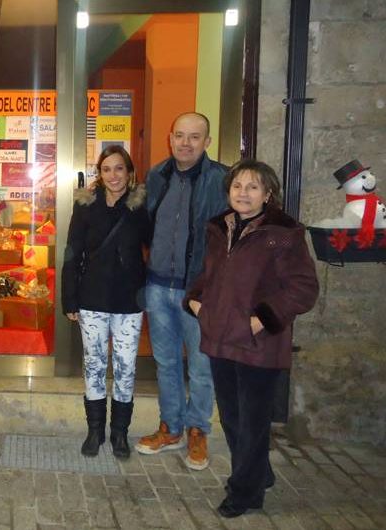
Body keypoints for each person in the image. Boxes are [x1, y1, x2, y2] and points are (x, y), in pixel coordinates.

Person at [184, 160, 318, 517]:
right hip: (220, 339)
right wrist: (196, 303)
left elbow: (303, 289)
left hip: (259, 345)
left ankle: (245, 493)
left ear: (268, 193)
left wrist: (261, 321)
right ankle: (260, 474)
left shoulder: (284, 233)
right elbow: (209, 275)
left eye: (253, 187)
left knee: (253, 422)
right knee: (231, 418)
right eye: (238, 186)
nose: (243, 193)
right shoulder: (219, 227)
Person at [135, 112, 228, 470]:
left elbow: (227, 241)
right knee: (166, 363)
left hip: (198, 292)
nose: (185, 143)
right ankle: (171, 427)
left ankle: (198, 431)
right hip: (158, 286)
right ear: (170, 138)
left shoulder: (221, 180)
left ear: (207, 142)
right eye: (180, 136)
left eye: (195, 137)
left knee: (202, 367)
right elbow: (147, 225)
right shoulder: (156, 176)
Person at [62, 145, 150, 459]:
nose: (113, 175)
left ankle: (119, 433)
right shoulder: (86, 205)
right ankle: (95, 430)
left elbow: (154, 247)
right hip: (92, 298)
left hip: (129, 300)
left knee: (126, 368)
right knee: (95, 366)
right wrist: (69, 298)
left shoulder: (141, 206)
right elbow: (72, 252)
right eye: (106, 169)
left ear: (129, 172)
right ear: (99, 174)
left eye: (119, 169)